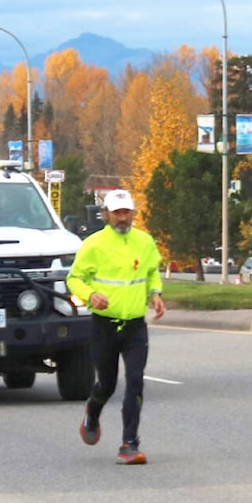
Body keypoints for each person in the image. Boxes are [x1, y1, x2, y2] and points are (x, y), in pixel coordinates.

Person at [66, 189, 166, 465]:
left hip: (134, 325)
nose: (122, 218)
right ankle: (92, 411)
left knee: (135, 381)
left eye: (127, 212)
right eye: (117, 213)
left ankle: (129, 443)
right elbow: (74, 279)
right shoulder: (94, 244)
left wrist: (156, 293)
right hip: (104, 325)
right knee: (107, 384)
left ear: (133, 213)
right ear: (106, 215)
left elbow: (151, 271)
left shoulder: (144, 242)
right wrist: (89, 296)